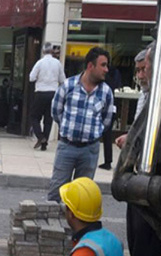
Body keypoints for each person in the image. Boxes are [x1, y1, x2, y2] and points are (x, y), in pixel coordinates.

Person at [114, 43, 161, 256]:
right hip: (139, 173)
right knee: (136, 233)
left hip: (151, 176)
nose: (141, 75)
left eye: (145, 68)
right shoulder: (147, 95)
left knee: (146, 237)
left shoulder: (160, 97)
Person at [47, 47, 114, 202]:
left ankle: (76, 226)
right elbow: (56, 112)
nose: (106, 69)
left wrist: (93, 133)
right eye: (103, 65)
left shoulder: (106, 92)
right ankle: (51, 224)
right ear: (91, 66)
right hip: (67, 147)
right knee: (57, 190)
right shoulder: (68, 86)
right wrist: (67, 128)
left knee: (83, 195)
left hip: (90, 150)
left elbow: (107, 120)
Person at [28, 42, 66, 151]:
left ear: (43, 51)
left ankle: (40, 137)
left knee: (34, 116)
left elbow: (31, 77)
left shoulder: (40, 63)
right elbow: (62, 80)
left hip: (40, 92)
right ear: (52, 51)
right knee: (48, 119)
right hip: (53, 93)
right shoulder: (57, 63)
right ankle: (44, 144)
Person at [98, 67, 122, 170]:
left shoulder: (104, 80)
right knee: (108, 136)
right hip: (113, 108)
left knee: (104, 135)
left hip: (105, 107)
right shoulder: (116, 76)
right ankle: (108, 160)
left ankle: (107, 161)